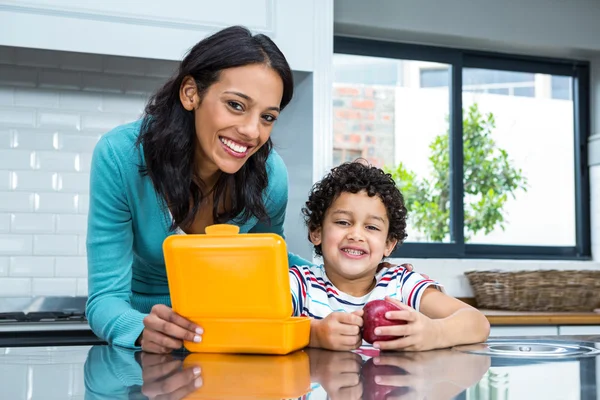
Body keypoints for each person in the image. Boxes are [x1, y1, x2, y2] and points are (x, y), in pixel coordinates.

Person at [85, 25, 311, 353]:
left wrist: (364, 277)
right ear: (191, 93)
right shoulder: (120, 156)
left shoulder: (270, 175)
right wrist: (140, 329)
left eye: (267, 117)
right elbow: (105, 299)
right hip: (147, 343)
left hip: (230, 339)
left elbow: (272, 268)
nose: (251, 131)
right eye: (236, 105)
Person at [289, 161, 491, 351]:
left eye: (371, 227)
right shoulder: (299, 283)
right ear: (316, 232)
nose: (356, 235)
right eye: (343, 222)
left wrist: (436, 333)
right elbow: (259, 323)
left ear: (388, 244)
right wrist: (312, 333)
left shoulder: (401, 285)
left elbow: (477, 322)